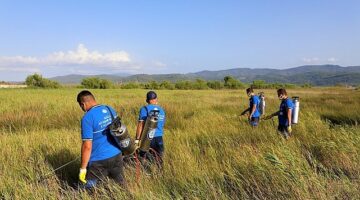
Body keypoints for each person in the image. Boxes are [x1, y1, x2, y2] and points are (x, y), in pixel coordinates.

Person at [77, 90, 125, 188]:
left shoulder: (87, 118)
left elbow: (87, 146)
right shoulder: (110, 109)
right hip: (117, 155)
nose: (82, 108)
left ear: (83, 104)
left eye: (81, 106)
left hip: (98, 161)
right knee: (121, 186)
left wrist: (83, 169)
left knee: (89, 188)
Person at [135, 91, 166, 165]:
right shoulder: (161, 110)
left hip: (148, 139)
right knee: (159, 159)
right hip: (159, 138)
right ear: (155, 99)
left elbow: (140, 125)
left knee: (145, 159)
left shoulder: (144, 109)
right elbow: (162, 124)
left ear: (147, 100)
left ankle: (148, 173)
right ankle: (160, 174)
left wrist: (137, 140)